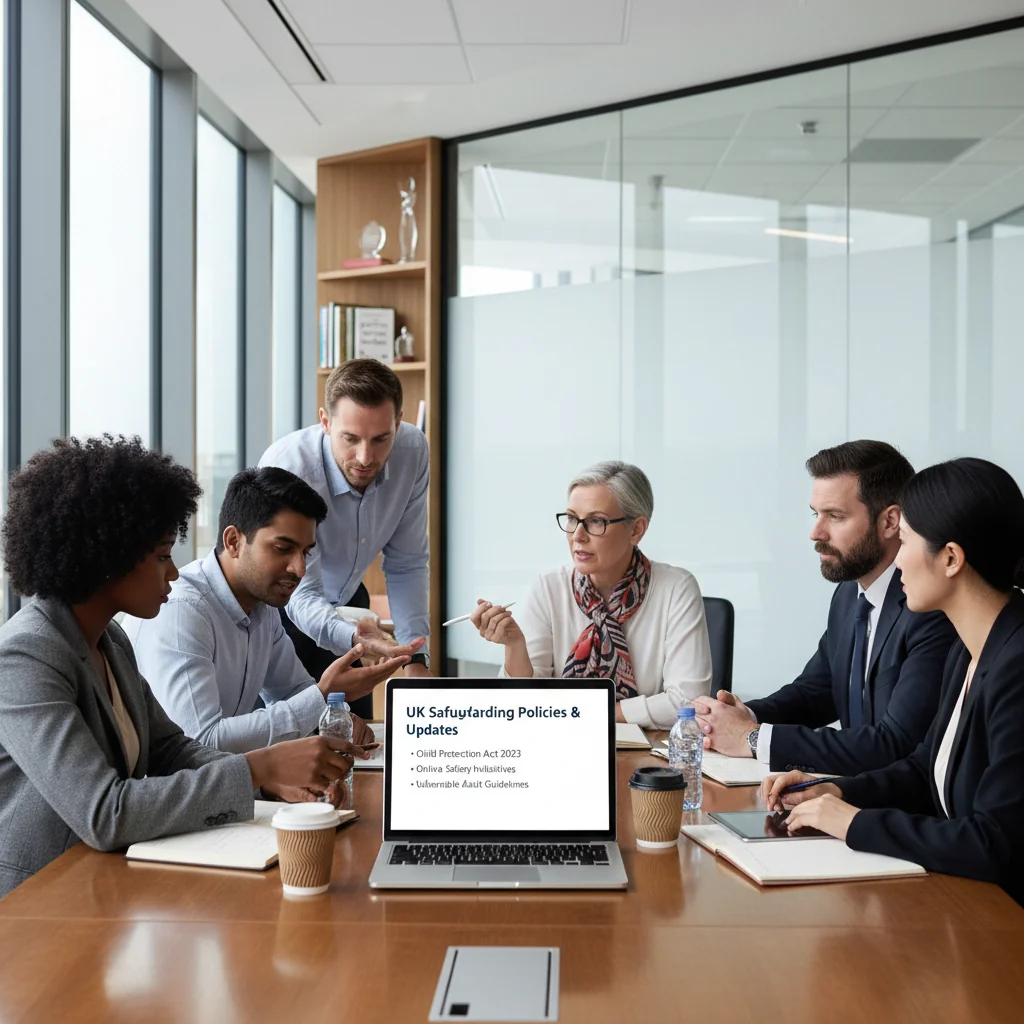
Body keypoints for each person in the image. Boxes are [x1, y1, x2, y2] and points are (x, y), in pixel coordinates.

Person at [0, 437, 373, 897]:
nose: (173, 573)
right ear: (108, 557)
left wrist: (273, 784)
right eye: (161, 556)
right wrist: (256, 770)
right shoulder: (26, 656)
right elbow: (104, 812)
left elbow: (172, 749)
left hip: (106, 882)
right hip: (37, 903)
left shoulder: (109, 640)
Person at [763, 457, 1024, 906]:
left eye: (904, 542)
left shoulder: (1016, 666)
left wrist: (853, 822)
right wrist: (837, 790)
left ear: (950, 558)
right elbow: (925, 769)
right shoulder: (969, 647)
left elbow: (997, 843)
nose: (897, 560)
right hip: (962, 901)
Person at [123, 467, 407, 800]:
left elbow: (292, 691)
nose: (299, 569)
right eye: (283, 548)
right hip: (161, 811)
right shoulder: (182, 609)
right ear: (233, 542)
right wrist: (320, 696)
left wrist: (341, 718)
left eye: (306, 552)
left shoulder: (262, 605)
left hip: (220, 800)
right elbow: (199, 743)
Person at [694, 441, 956, 775]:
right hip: (847, 795)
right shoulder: (850, 594)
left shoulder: (930, 607)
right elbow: (815, 693)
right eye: (815, 514)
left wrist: (752, 738)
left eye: (835, 516)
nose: (815, 533)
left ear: (890, 521)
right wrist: (737, 717)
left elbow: (895, 744)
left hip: (899, 810)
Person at [471, 461, 711, 729]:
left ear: (636, 529)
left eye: (596, 521)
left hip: (648, 755)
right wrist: (514, 645)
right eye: (572, 519)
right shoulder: (549, 586)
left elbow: (689, 703)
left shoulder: (676, 588)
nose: (577, 536)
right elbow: (526, 700)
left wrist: (589, 710)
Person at [259, 359, 430, 719]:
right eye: (350, 439)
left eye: (381, 438)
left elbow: (407, 562)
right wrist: (352, 638)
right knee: (293, 744)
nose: (365, 458)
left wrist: (415, 658)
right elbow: (299, 591)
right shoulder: (288, 467)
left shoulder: (413, 451)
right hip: (283, 614)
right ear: (325, 422)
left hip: (350, 606)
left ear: (398, 423)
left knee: (356, 745)